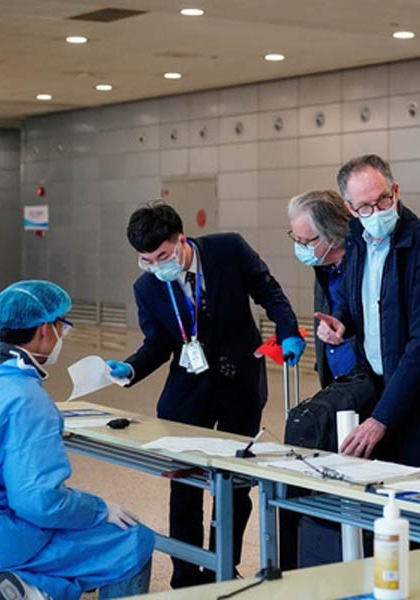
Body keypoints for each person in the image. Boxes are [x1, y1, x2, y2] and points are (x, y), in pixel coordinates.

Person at [105, 203, 303, 588]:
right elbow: (158, 343)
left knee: (235, 484)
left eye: (161, 256)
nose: (155, 265)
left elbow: (268, 290)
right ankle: (185, 574)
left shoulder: (229, 250)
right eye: (145, 260)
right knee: (186, 488)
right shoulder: (147, 286)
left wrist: (288, 328)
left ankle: (221, 568)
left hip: (240, 385)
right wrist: (130, 368)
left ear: (181, 240)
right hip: (187, 394)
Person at [0, 280, 154, 600]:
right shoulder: (26, 399)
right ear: (46, 329)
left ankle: (38, 588)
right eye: (64, 325)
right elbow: (40, 502)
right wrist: (99, 509)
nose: (63, 334)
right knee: (133, 540)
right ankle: (34, 584)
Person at [314, 154, 420, 473]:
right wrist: (342, 321)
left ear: (395, 190)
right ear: (350, 208)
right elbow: (359, 300)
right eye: (366, 206)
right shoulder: (356, 239)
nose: (377, 212)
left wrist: (381, 418)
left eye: (383, 200)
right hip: (385, 391)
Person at [288, 190, 357, 387]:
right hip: (335, 380)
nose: (299, 246)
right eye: (295, 238)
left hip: (367, 382)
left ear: (333, 238)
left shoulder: (362, 268)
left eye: (305, 241)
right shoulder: (322, 268)